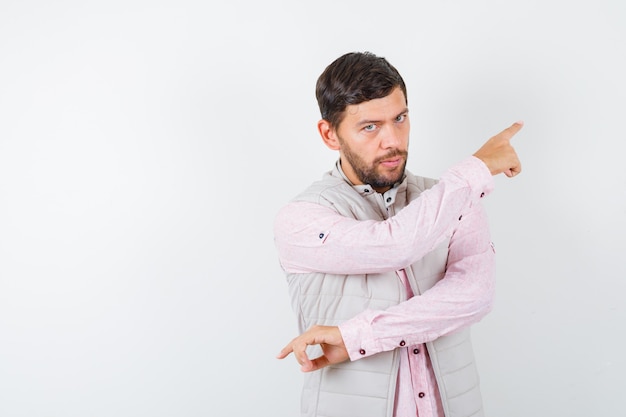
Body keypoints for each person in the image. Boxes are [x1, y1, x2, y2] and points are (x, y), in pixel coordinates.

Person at [274, 51, 522, 417]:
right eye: (370, 126)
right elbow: (395, 245)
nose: (392, 140)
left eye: (400, 118)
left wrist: (356, 337)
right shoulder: (300, 218)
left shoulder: (452, 196)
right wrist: (476, 169)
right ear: (330, 134)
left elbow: (474, 294)